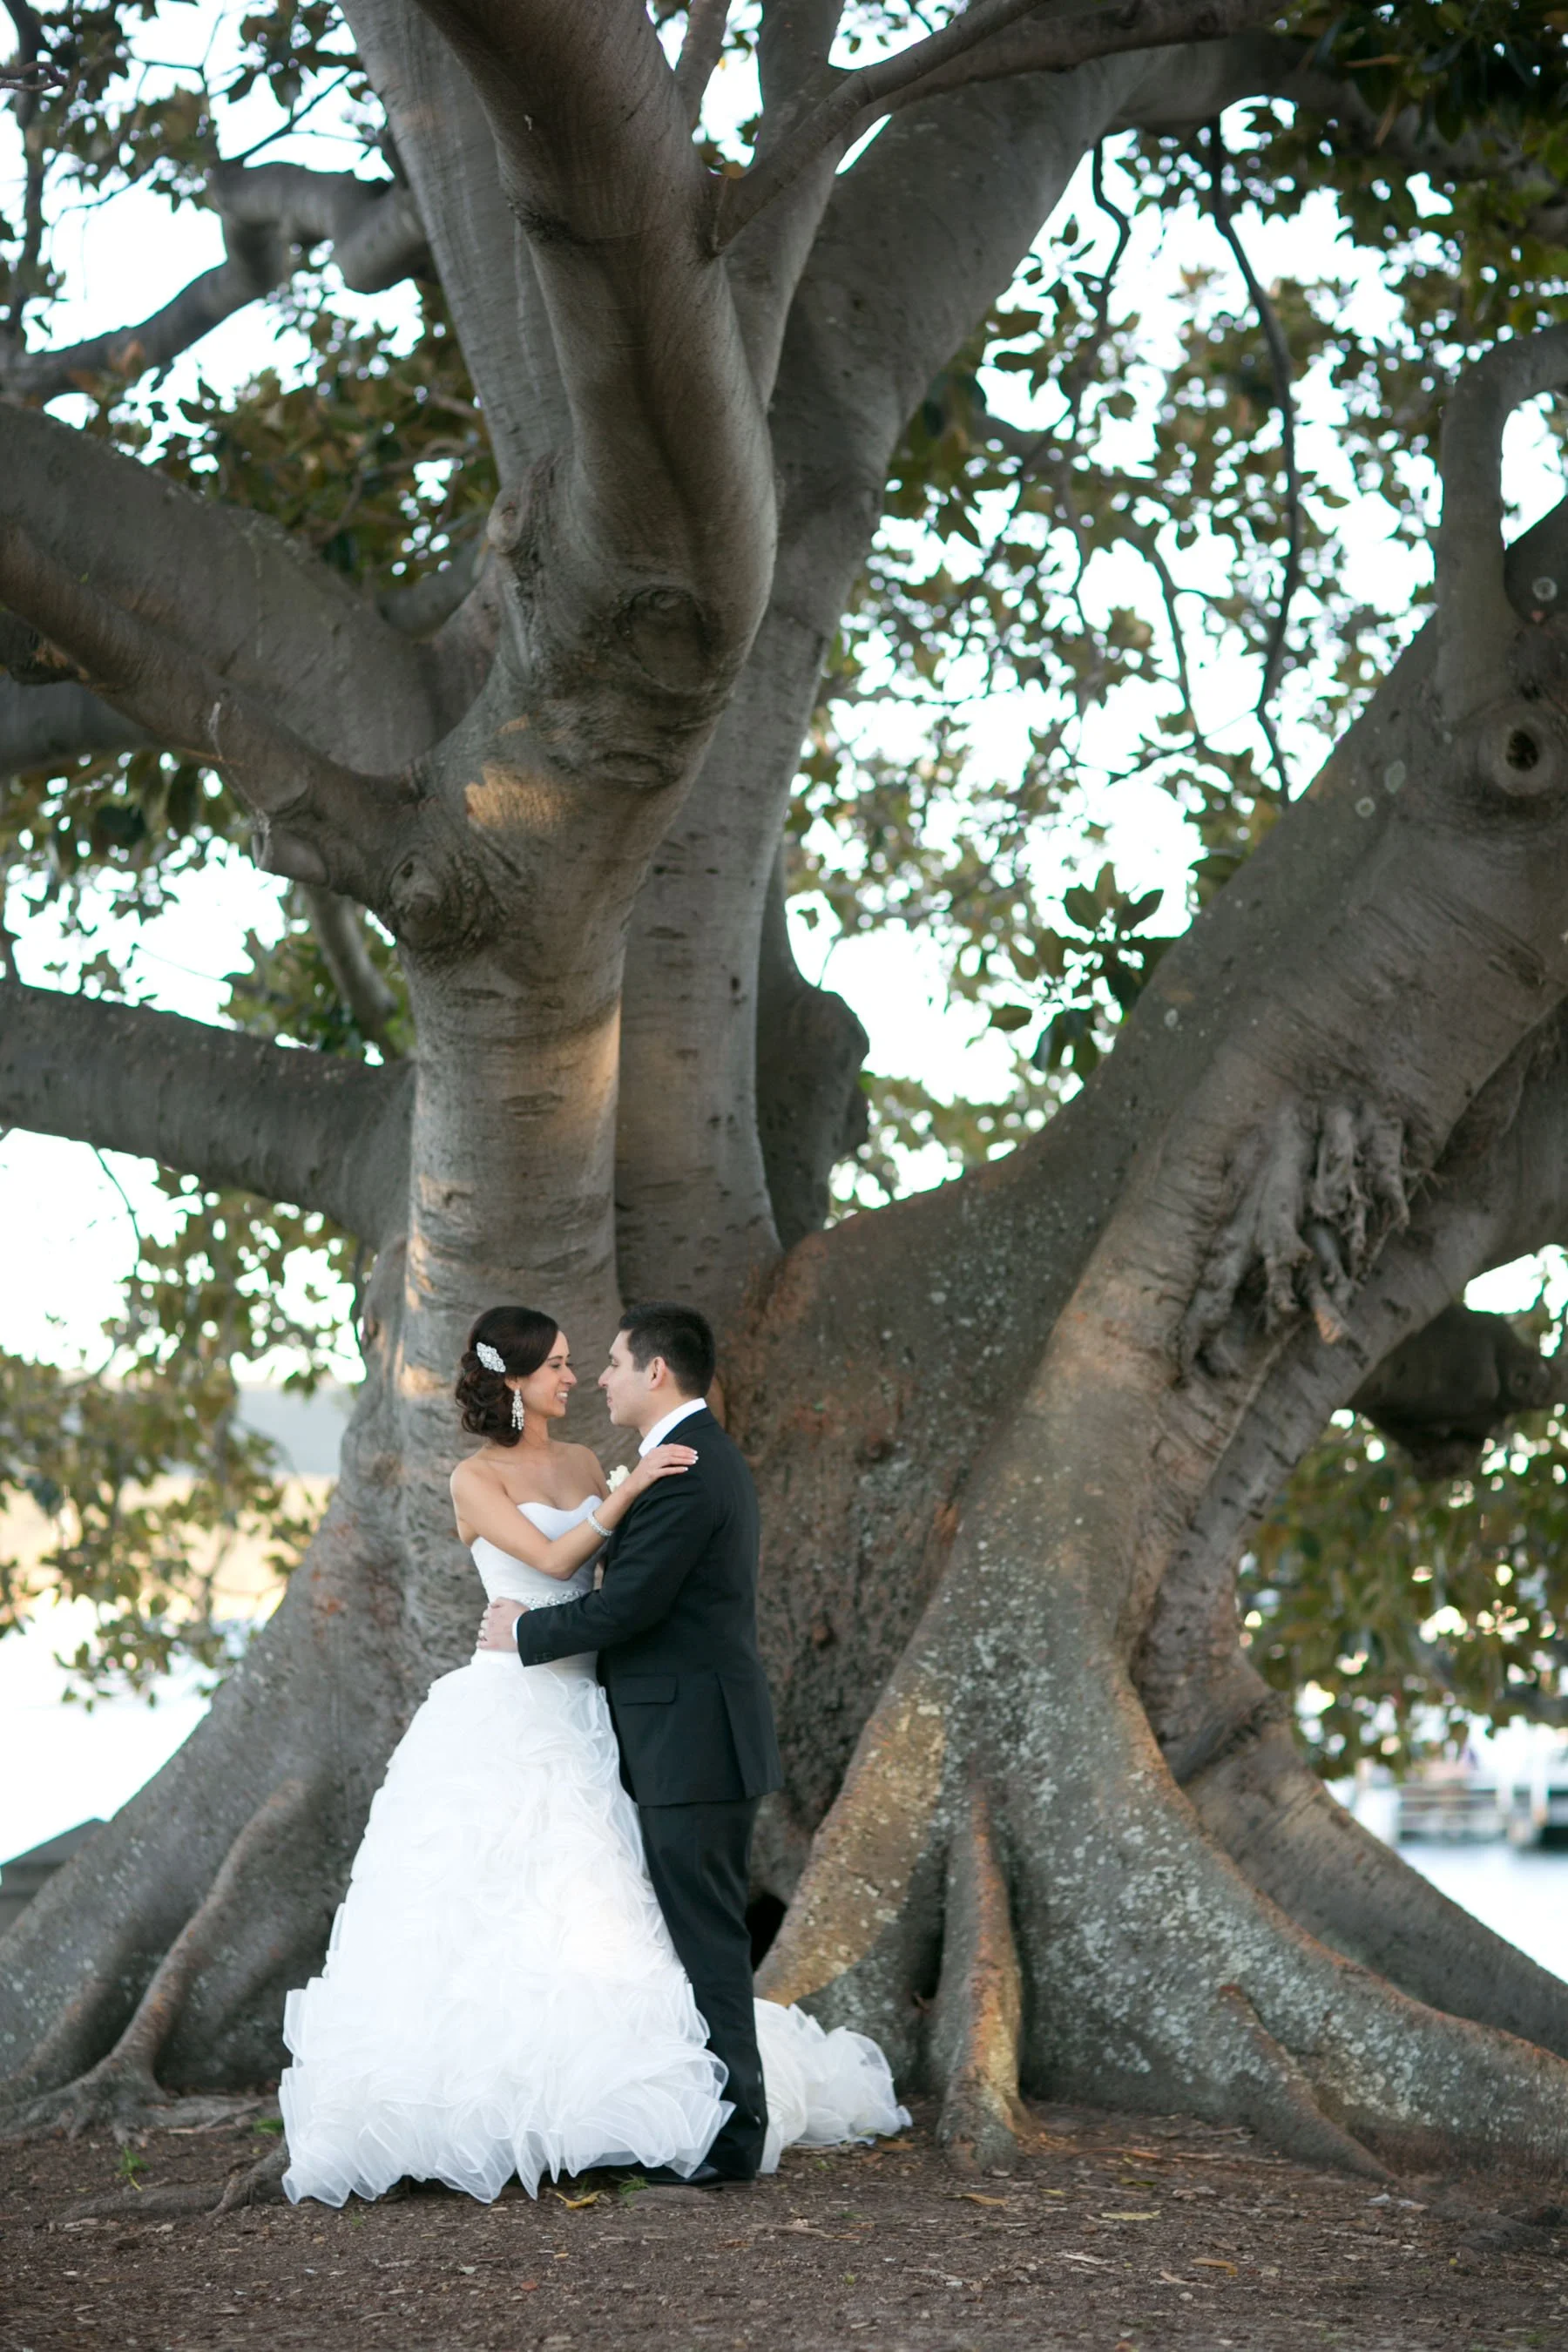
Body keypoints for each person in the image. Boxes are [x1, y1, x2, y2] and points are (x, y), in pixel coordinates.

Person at [279, 1303, 908, 2207]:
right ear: (516, 1380)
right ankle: (508, 2110)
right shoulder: (481, 1477)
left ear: (654, 1373)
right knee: (506, 1910)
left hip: (602, 1710)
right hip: (521, 1711)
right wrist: (624, 1497)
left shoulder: (615, 1466)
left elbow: (624, 1598)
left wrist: (555, 1595)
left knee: (630, 1920)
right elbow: (552, 1552)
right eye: (563, 1365)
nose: (580, 1378)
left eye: (595, 1361)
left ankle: (699, 2124)